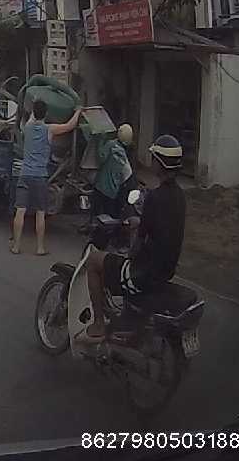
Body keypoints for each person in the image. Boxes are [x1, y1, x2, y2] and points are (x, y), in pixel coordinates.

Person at [82, 135, 186, 342]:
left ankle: (99, 324)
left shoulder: (155, 197)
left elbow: (139, 240)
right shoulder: (179, 196)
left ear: (159, 163)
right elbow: (161, 227)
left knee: (93, 261)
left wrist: (130, 253)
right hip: (165, 270)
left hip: (143, 273)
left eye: (153, 158)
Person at [10, 99, 83, 255]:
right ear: (46, 114)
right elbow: (70, 126)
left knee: (20, 211)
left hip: (25, 174)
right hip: (40, 177)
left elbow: (31, 116)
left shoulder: (27, 127)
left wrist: (34, 101)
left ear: (33, 112)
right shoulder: (49, 130)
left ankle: (16, 246)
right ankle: (40, 248)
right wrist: (78, 111)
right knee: (40, 213)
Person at [91, 123, 136, 219]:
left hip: (102, 186)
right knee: (110, 216)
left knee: (97, 214)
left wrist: (100, 140)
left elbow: (100, 158)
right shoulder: (126, 150)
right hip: (114, 189)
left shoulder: (111, 145)